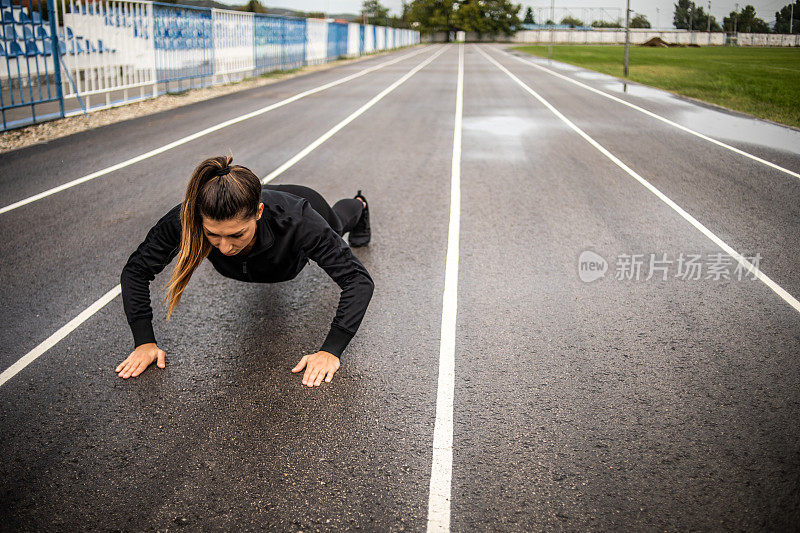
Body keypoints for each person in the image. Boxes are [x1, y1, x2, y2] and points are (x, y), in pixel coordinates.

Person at [115, 155, 373, 387]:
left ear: (258, 212)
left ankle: (359, 204)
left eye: (237, 234)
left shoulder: (298, 219)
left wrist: (330, 351)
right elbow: (136, 271)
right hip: (250, 234)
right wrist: (144, 342)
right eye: (213, 235)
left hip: (295, 224)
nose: (225, 247)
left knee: (338, 223)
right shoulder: (186, 218)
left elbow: (357, 280)